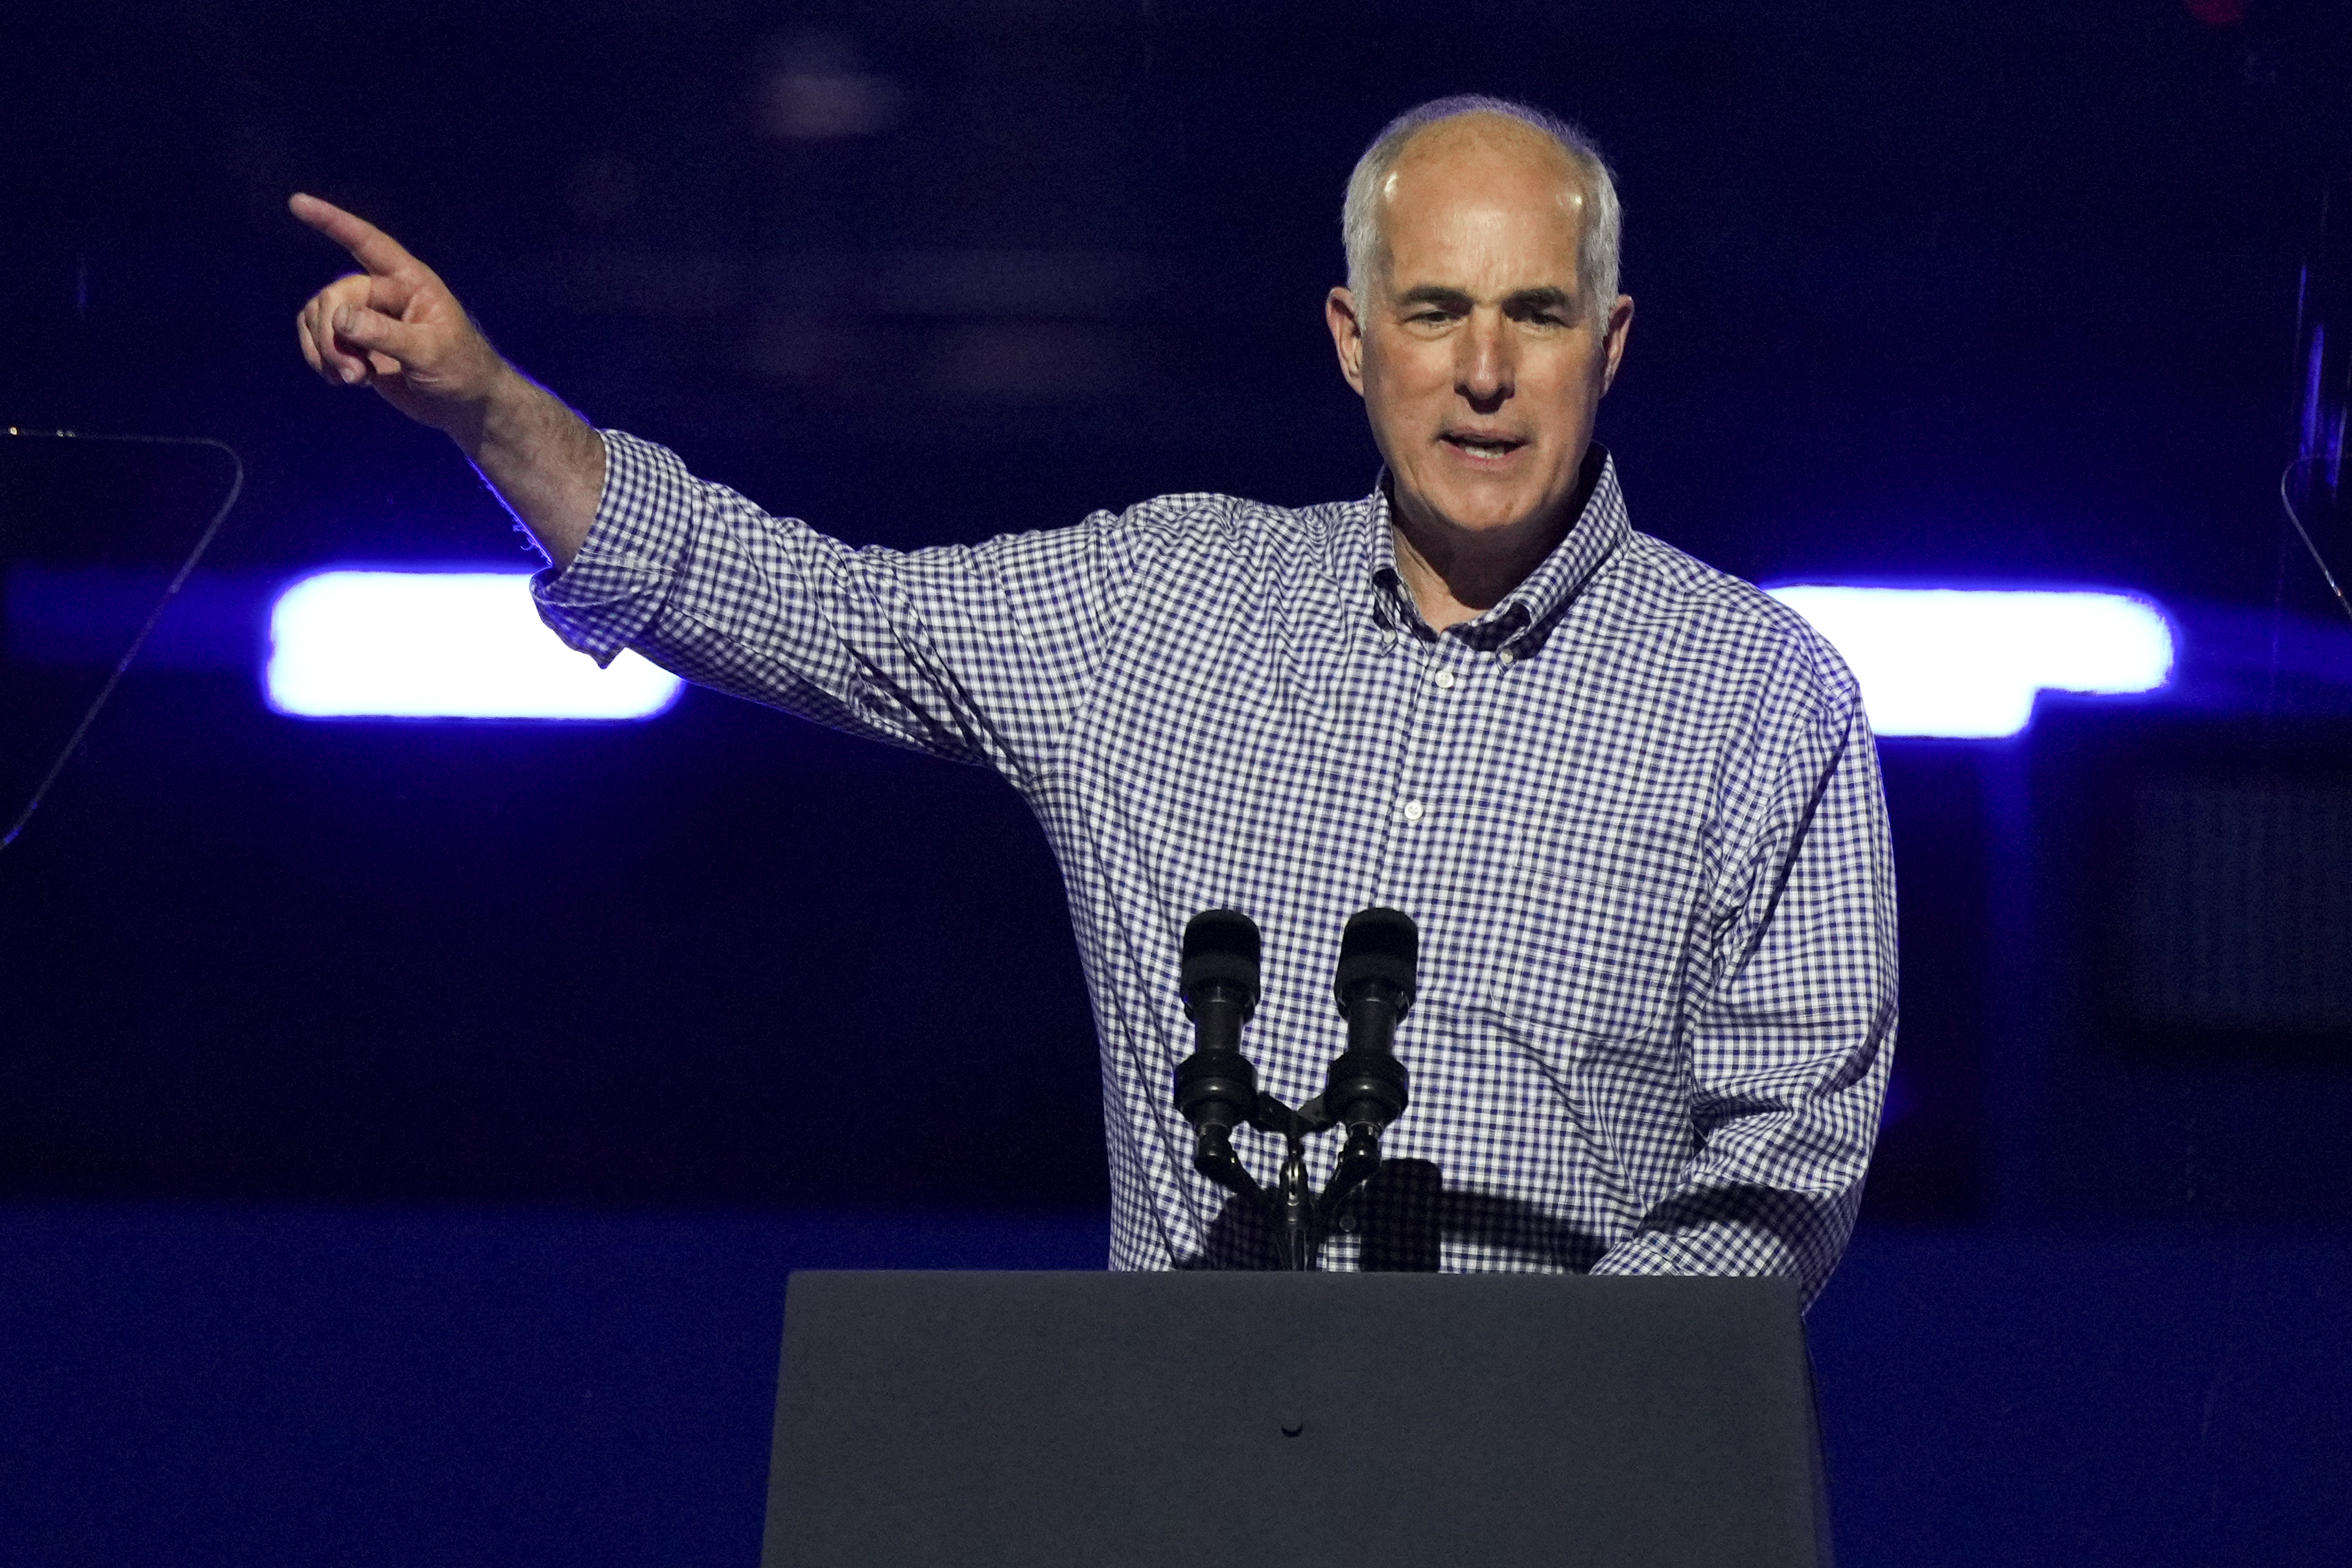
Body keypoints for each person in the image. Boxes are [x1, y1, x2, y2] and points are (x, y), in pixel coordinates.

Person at [292, 95, 1896, 1293]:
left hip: (1574, 1511)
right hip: (1182, 1484)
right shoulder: (1161, 606)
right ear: (1353, 339)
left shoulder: (1755, 695)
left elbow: (1786, 1166)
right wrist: (491, 411)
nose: (1482, 368)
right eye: (1433, 310)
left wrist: (1514, 1426)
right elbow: (810, 607)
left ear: (1606, 345)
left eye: (1532, 315)